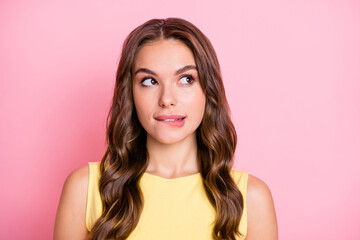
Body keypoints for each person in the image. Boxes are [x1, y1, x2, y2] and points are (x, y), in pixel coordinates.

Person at [54, 18, 278, 240]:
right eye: (150, 81)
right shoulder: (84, 190)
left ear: (208, 91)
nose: (167, 99)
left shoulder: (251, 200)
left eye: (186, 79)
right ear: (129, 93)